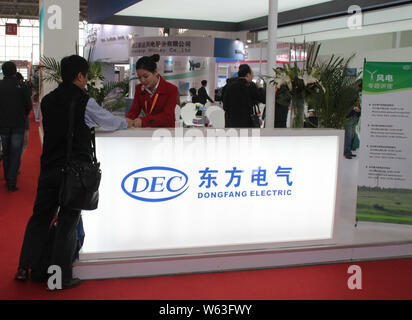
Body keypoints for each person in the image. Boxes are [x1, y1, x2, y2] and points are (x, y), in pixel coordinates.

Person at [15, 55, 133, 290]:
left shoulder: (47, 101)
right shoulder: (84, 101)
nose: (86, 80)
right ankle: (58, 277)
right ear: (80, 76)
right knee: (68, 222)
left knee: (40, 217)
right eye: (86, 76)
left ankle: (24, 266)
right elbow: (109, 122)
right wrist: (128, 123)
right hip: (73, 171)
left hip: (49, 166)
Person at [0, 61, 32, 192]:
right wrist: (21, 114)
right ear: (15, 71)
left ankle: (7, 177)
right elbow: (28, 106)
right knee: (15, 152)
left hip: (3, 124)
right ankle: (11, 181)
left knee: (6, 152)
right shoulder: (22, 86)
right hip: (18, 123)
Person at [126, 54, 178, 128]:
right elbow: (134, 111)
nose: (142, 80)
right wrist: (127, 120)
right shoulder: (139, 89)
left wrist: (144, 121)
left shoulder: (171, 89)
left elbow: (167, 117)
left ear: (155, 72)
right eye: (139, 77)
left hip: (167, 132)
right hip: (148, 131)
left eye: (145, 76)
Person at [15, 72, 32, 162]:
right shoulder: (24, 88)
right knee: (23, 143)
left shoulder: (3, 87)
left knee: (7, 146)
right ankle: (16, 164)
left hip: (4, 122)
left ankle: (10, 165)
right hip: (22, 121)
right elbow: (29, 106)